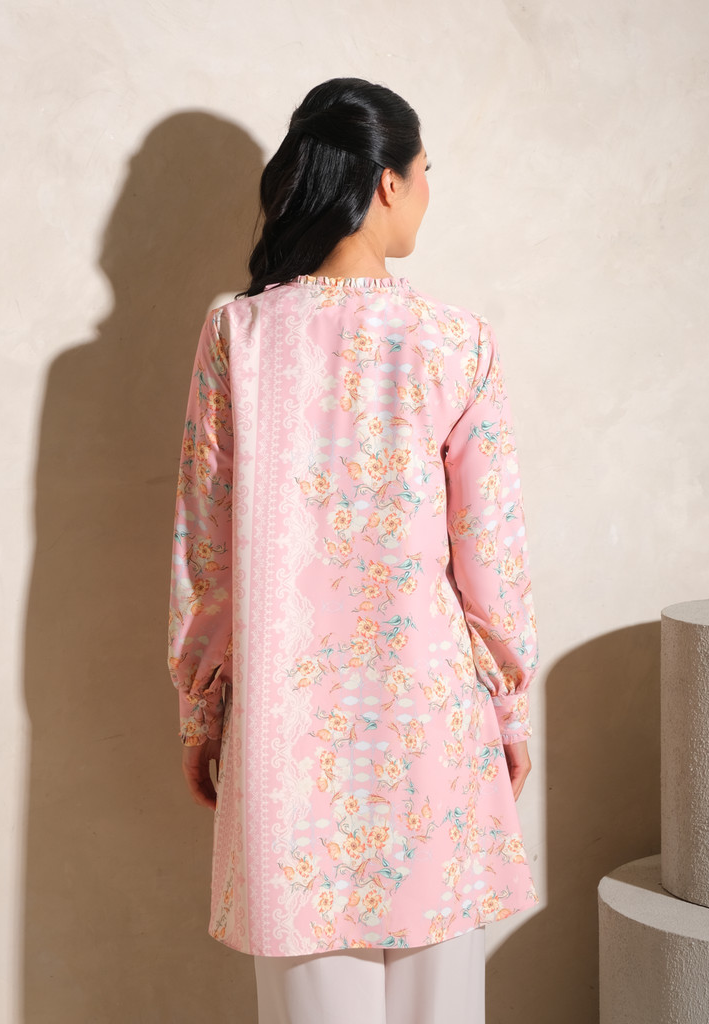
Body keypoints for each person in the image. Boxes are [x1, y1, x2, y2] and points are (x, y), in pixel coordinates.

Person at [167, 77, 540, 1024]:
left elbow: (206, 554)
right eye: (426, 172)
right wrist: (506, 710)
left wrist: (203, 709)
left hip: (284, 740)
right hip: (432, 727)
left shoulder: (238, 335)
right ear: (387, 182)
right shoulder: (457, 342)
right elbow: (491, 559)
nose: (427, 193)